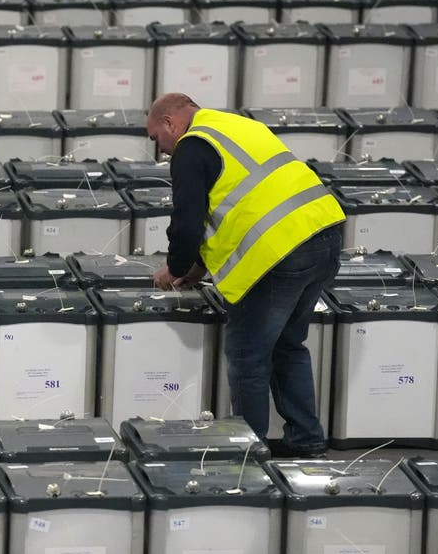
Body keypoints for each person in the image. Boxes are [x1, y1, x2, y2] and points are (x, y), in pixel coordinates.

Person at [146, 93, 345, 457]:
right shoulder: (237, 125)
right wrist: (199, 267)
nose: (160, 150)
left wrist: (175, 269)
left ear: (170, 123)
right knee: (288, 345)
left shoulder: (192, 146)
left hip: (278, 253)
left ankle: (249, 453)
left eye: (155, 138)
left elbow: (188, 223)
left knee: (248, 356)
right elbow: (242, 200)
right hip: (325, 232)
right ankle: (307, 441)